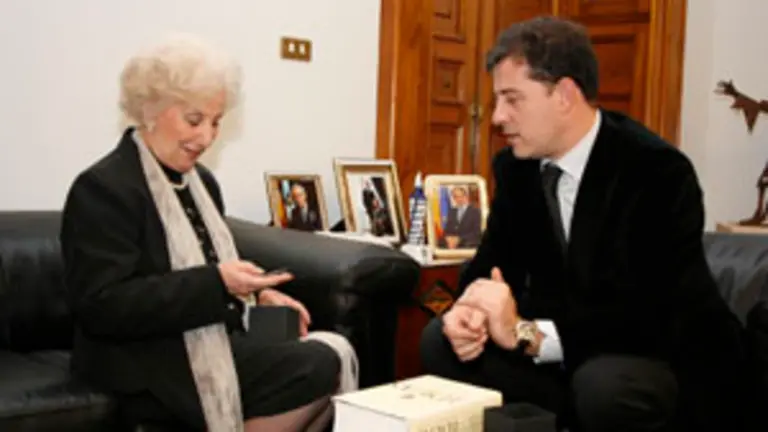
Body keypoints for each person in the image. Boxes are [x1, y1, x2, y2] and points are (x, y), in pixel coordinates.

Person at [419, 16, 750, 432]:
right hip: (566, 356)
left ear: (564, 94)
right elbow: (491, 266)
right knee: (439, 341)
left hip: (658, 356)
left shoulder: (656, 171)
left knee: (603, 385)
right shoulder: (516, 169)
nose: (498, 116)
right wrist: (466, 312)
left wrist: (527, 335)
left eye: (512, 99)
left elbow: (648, 314)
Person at [59, 34, 357, 432]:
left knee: (325, 346)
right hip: (143, 356)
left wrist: (258, 294)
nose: (207, 137)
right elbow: (103, 306)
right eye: (194, 120)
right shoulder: (104, 188)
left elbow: (214, 274)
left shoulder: (202, 184)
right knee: (317, 365)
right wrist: (218, 283)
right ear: (150, 110)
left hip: (208, 335)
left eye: (216, 122)